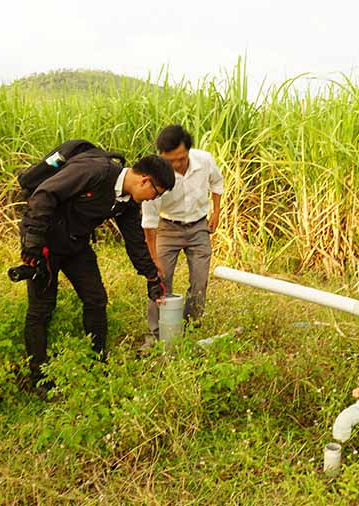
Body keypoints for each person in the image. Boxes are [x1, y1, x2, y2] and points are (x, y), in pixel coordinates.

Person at [19, 148, 174, 389]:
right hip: (44, 242)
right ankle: (39, 378)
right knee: (41, 308)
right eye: (156, 194)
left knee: (96, 299)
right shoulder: (95, 171)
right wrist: (33, 242)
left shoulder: (126, 202)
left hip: (75, 244)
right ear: (145, 180)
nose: (152, 200)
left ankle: (97, 363)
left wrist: (152, 278)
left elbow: (135, 242)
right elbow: (45, 194)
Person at [141, 125, 224, 346]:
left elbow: (217, 182)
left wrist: (216, 212)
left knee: (199, 280)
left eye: (181, 158)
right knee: (160, 280)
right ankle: (154, 335)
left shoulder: (204, 160)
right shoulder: (154, 174)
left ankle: (190, 329)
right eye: (170, 161)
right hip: (167, 228)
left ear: (188, 150)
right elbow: (149, 222)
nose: (176, 165)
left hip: (198, 227)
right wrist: (153, 258)